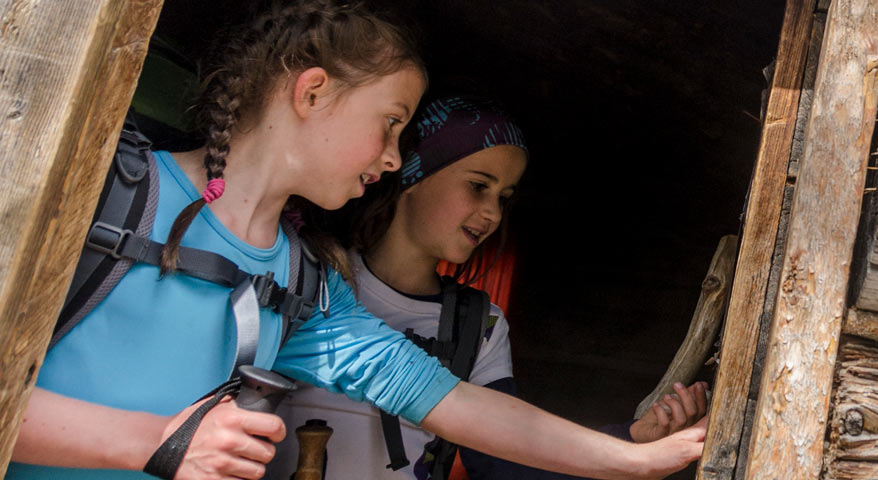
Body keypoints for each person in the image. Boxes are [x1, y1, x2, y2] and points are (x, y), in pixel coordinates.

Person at [9, 2, 703, 479]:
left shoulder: (305, 288)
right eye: (392, 122)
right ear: (311, 94)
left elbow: (457, 405)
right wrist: (157, 442)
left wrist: (636, 460)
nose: (397, 159)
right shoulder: (109, 189)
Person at [264, 96, 710, 479]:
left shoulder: (479, 326)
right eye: (479, 186)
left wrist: (631, 441)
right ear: (410, 176)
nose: (493, 214)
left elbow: (506, 462)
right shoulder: (312, 277)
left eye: (504, 197)